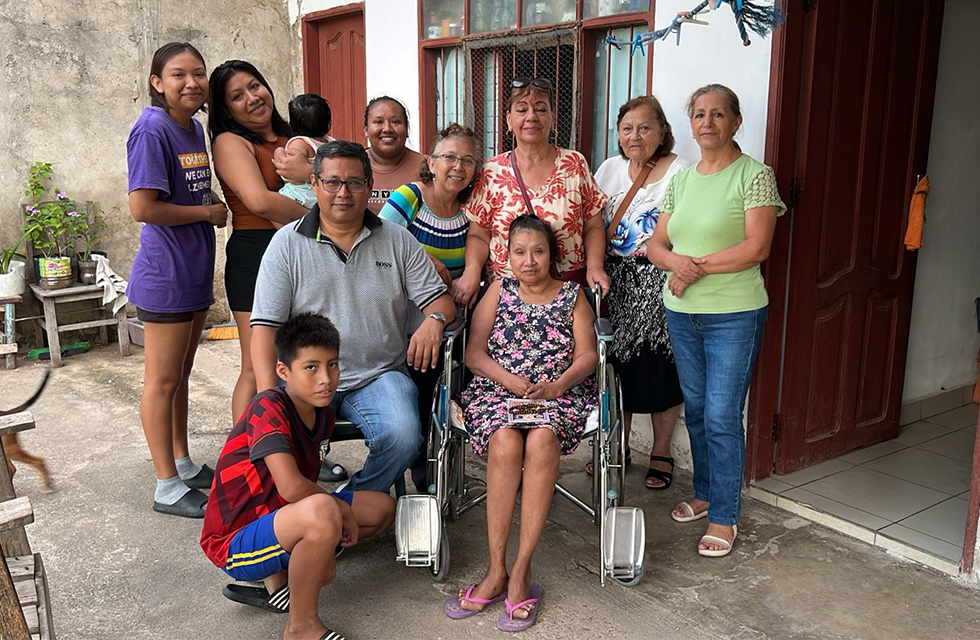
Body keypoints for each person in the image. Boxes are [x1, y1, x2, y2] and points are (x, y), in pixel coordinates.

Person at [250, 140, 456, 492]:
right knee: (281, 455)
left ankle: (352, 502)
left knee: (405, 436)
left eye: (354, 183)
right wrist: (268, 397)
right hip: (304, 377)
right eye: (332, 182)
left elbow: (441, 302)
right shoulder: (286, 244)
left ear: (369, 186)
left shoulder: (398, 240)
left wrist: (433, 322)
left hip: (379, 374)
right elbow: (264, 329)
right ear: (314, 185)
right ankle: (335, 511)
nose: (343, 192)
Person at [647, 84, 785, 557]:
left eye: (718, 114)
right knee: (700, 411)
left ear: (735, 121)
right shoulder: (682, 179)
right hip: (682, 313)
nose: (708, 122)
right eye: (700, 115)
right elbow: (655, 245)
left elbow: (756, 247)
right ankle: (705, 494)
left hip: (734, 314)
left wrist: (691, 267)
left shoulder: (755, 175)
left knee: (724, 415)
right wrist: (676, 265)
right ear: (691, 125)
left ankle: (725, 515)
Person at [201, 313, 395, 640]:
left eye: (332, 365)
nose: (325, 378)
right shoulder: (268, 407)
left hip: (280, 518)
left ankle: (287, 573)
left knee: (382, 508)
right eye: (311, 367)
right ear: (283, 371)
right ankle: (300, 627)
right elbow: (291, 487)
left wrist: (333, 525)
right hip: (235, 538)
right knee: (324, 513)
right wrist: (337, 517)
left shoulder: (323, 412)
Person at [445, 215, 597, 632]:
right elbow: (474, 353)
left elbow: (587, 356)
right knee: (505, 443)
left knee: (544, 441)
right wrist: (511, 381)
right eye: (519, 252)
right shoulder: (499, 289)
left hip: (556, 393)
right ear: (506, 255)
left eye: (538, 251)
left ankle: (521, 571)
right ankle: (495, 569)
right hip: (497, 391)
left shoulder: (573, 295)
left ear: (553, 255)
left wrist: (556, 385)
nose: (528, 261)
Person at [126, 42, 228, 518]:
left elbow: (186, 186)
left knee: (181, 376)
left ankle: (183, 463)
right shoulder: (152, 128)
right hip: (165, 275)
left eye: (199, 74)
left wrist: (205, 202)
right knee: (161, 381)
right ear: (157, 82)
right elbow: (142, 207)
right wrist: (206, 211)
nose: (192, 82)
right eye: (178, 74)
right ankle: (165, 484)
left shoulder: (193, 128)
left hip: (193, 270)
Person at [592, 96, 690, 489]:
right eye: (627, 128)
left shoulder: (680, 170)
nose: (635, 136)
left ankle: (662, 450)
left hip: (658, 283)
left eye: (645, 127)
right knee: (613, 367)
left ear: (663, 131)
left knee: (660, 370)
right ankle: (618, 447)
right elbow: (593, 221)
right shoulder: (609, 169)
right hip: (612, 282)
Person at [378, 123, 480, 490]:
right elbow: (379, 241)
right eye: (449, 157)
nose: (458, 166)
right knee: (422, 388)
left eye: (467, 160)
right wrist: (426, 261)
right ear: (431, 163)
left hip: (451, 319)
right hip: (403, 317)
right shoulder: (411, 196)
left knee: (448, 391)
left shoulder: (472, 212)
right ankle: (422, 476)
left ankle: (435, 471)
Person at [207, 60, 309, 423]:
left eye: (255, 86)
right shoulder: (229, 141)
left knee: (301, 362)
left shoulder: (291, 138)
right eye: (237, 95)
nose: (252, 97)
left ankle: (299, 453)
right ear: (225, 109)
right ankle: (247, 458)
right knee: (257, 364)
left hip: (301, 254)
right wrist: (326, 218)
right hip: (256, 254)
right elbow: (259, 201)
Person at [454, 77, 609, 307]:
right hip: (507, 297)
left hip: (566, 293)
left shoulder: (575, 164)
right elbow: (479, 233)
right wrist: (472, 272)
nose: (531, 117)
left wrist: (595, 266)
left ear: (553, 117)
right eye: (522, 109)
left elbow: (593, 225)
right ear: (508, 119)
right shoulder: (492, 171)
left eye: (540, 109)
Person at [363, 96, 424, 214]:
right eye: (378, 122)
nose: (387, 129)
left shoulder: (428, 167)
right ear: (366, 130)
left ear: (407, 129)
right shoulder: (351, 166)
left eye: (395, 122)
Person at [277, 93, 335, 209]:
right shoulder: (331, 142)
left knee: (276, 204)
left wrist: (278, 151)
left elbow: (286, 168)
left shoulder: (300, 143)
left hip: (300, 193)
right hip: (322, 194)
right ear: (328, 123)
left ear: (291, 124)